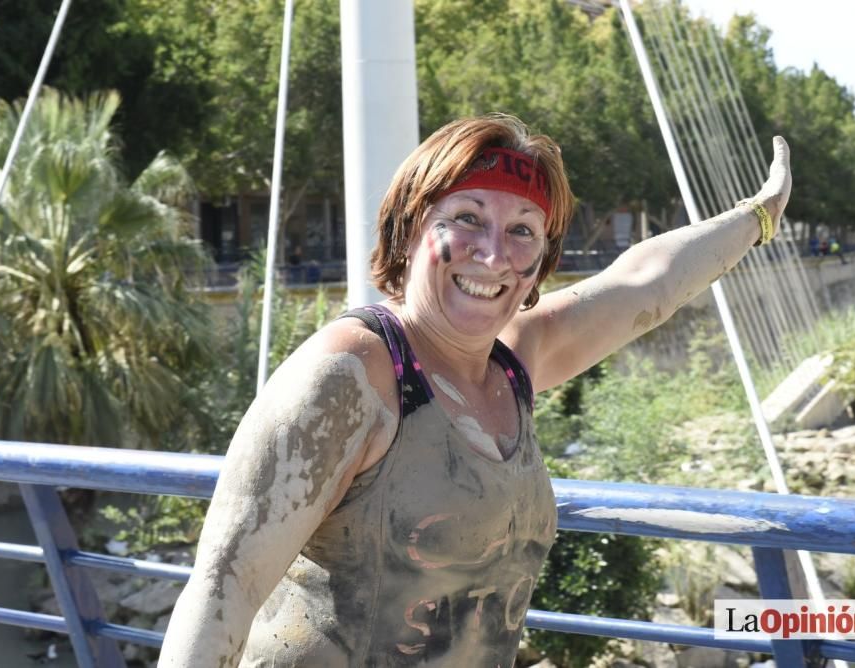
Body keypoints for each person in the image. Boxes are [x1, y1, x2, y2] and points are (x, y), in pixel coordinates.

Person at [158, 114, 791, 667]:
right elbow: (224, 591)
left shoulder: (513, 364)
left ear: (542, 260)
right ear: (409, 232)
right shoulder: (353, 376)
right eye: (466, 218)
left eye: (523, 230)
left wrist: (759, 217)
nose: (494, 255)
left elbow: (648, 285)